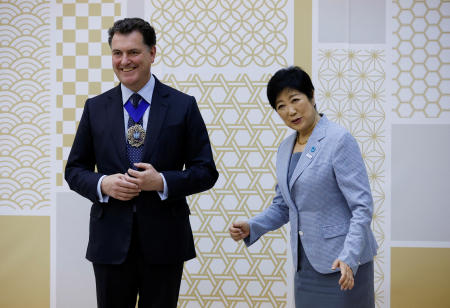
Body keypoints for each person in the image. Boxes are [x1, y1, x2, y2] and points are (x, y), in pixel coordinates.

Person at [65, 18, 218, 308]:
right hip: (109, 243)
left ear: (152, 53)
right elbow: (74, 171)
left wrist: (161, 182)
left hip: (165, 242)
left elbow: (205, 171)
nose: (124, 61)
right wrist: (103, 184)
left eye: (133, 52)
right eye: (117, 53)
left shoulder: (183, 105)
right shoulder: (95, 108)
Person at [229, 66, 378, 307]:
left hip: (342, 264)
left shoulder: (338, 139)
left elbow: (362, 207)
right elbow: (283, 206)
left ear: (312, 95)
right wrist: (251, 226)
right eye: (281, 106)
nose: (290, 111)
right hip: (306, 264)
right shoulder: (285, 149)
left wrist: (349, 257)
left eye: (295, 99)